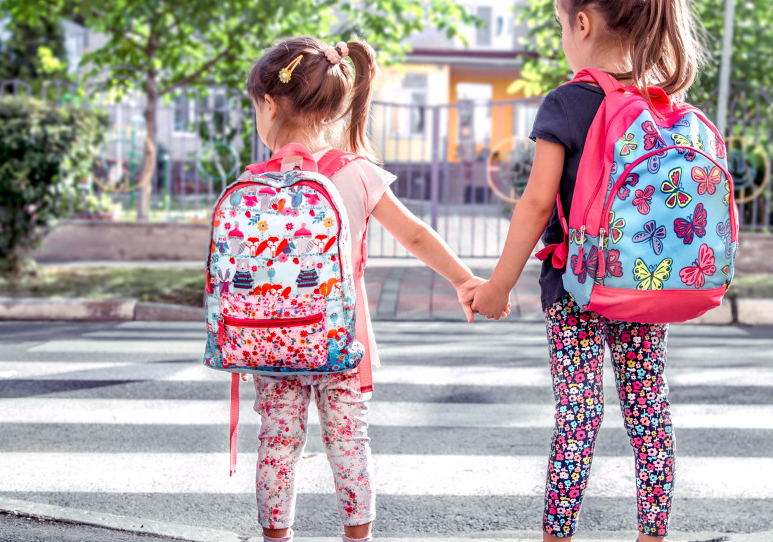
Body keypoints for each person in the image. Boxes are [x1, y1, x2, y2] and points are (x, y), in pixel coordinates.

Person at [244, 37, 498, 542]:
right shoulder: (358, 173)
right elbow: (415, 234)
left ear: (269, 104)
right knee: (349, 442)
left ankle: (276, 537)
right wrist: (464, 279)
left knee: (277, 443)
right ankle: (357, 537)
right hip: (342, 338)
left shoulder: (256, 182)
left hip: (274, 340)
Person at [471, 1, 706, 541]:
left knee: (578, 414)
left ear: (582, 23)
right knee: (649, 408)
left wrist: (497, 286)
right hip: (647, 281)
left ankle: (559, 535)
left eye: (560, 26)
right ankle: (652, 534)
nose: (562, 36)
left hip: (576, 287)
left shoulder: (566, 103)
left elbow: (535, 203)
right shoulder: (661, 103)